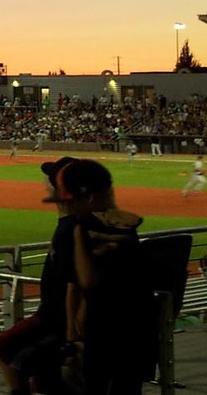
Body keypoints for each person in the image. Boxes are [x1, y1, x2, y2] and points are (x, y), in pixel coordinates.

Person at [0, 157, 81, 395]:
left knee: (5, 349)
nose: (45, 183)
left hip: (54, 321)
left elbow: (76, 286)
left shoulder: (70, 229)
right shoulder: (73, 225)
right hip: (53, 319)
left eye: (49, 180)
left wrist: (72, 338)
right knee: (45, 379)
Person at [63, 159, 154, 395]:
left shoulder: (89, 227)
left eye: (72, 199)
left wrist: (76, 237)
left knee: (97, 386)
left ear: (89, 198)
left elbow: (87, 280)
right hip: (138, 328)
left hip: (109, 330)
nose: (69, 205)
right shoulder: (126, 224)